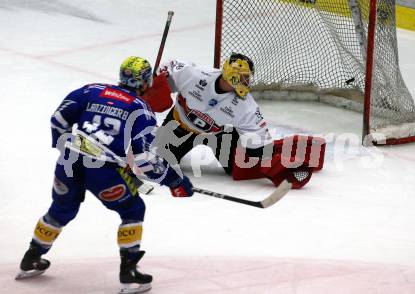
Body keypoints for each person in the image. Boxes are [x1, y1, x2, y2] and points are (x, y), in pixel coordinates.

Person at [16, 56, 193, 294]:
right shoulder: (141, 109)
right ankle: (129, 274)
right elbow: (145, 159)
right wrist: (174, 180)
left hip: (67, 162)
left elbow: (58, 120)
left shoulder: (91, 90)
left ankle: (31, 258)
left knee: (61, 210)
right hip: (103, 171)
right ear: (146, 81)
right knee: (133, 210)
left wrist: (68, 147)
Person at [142, 53, 317, 189]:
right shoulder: (196, 76)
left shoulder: (246, 106)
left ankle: (285, 148)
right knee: (154, 163)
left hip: (218, 134)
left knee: (240, 168)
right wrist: (156, 84)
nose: (247, 82)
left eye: (248, 77)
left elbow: (258, 144)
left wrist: (275, 161)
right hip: (179, 127)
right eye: (243, 77)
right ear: (231, 76)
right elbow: (169, 67)